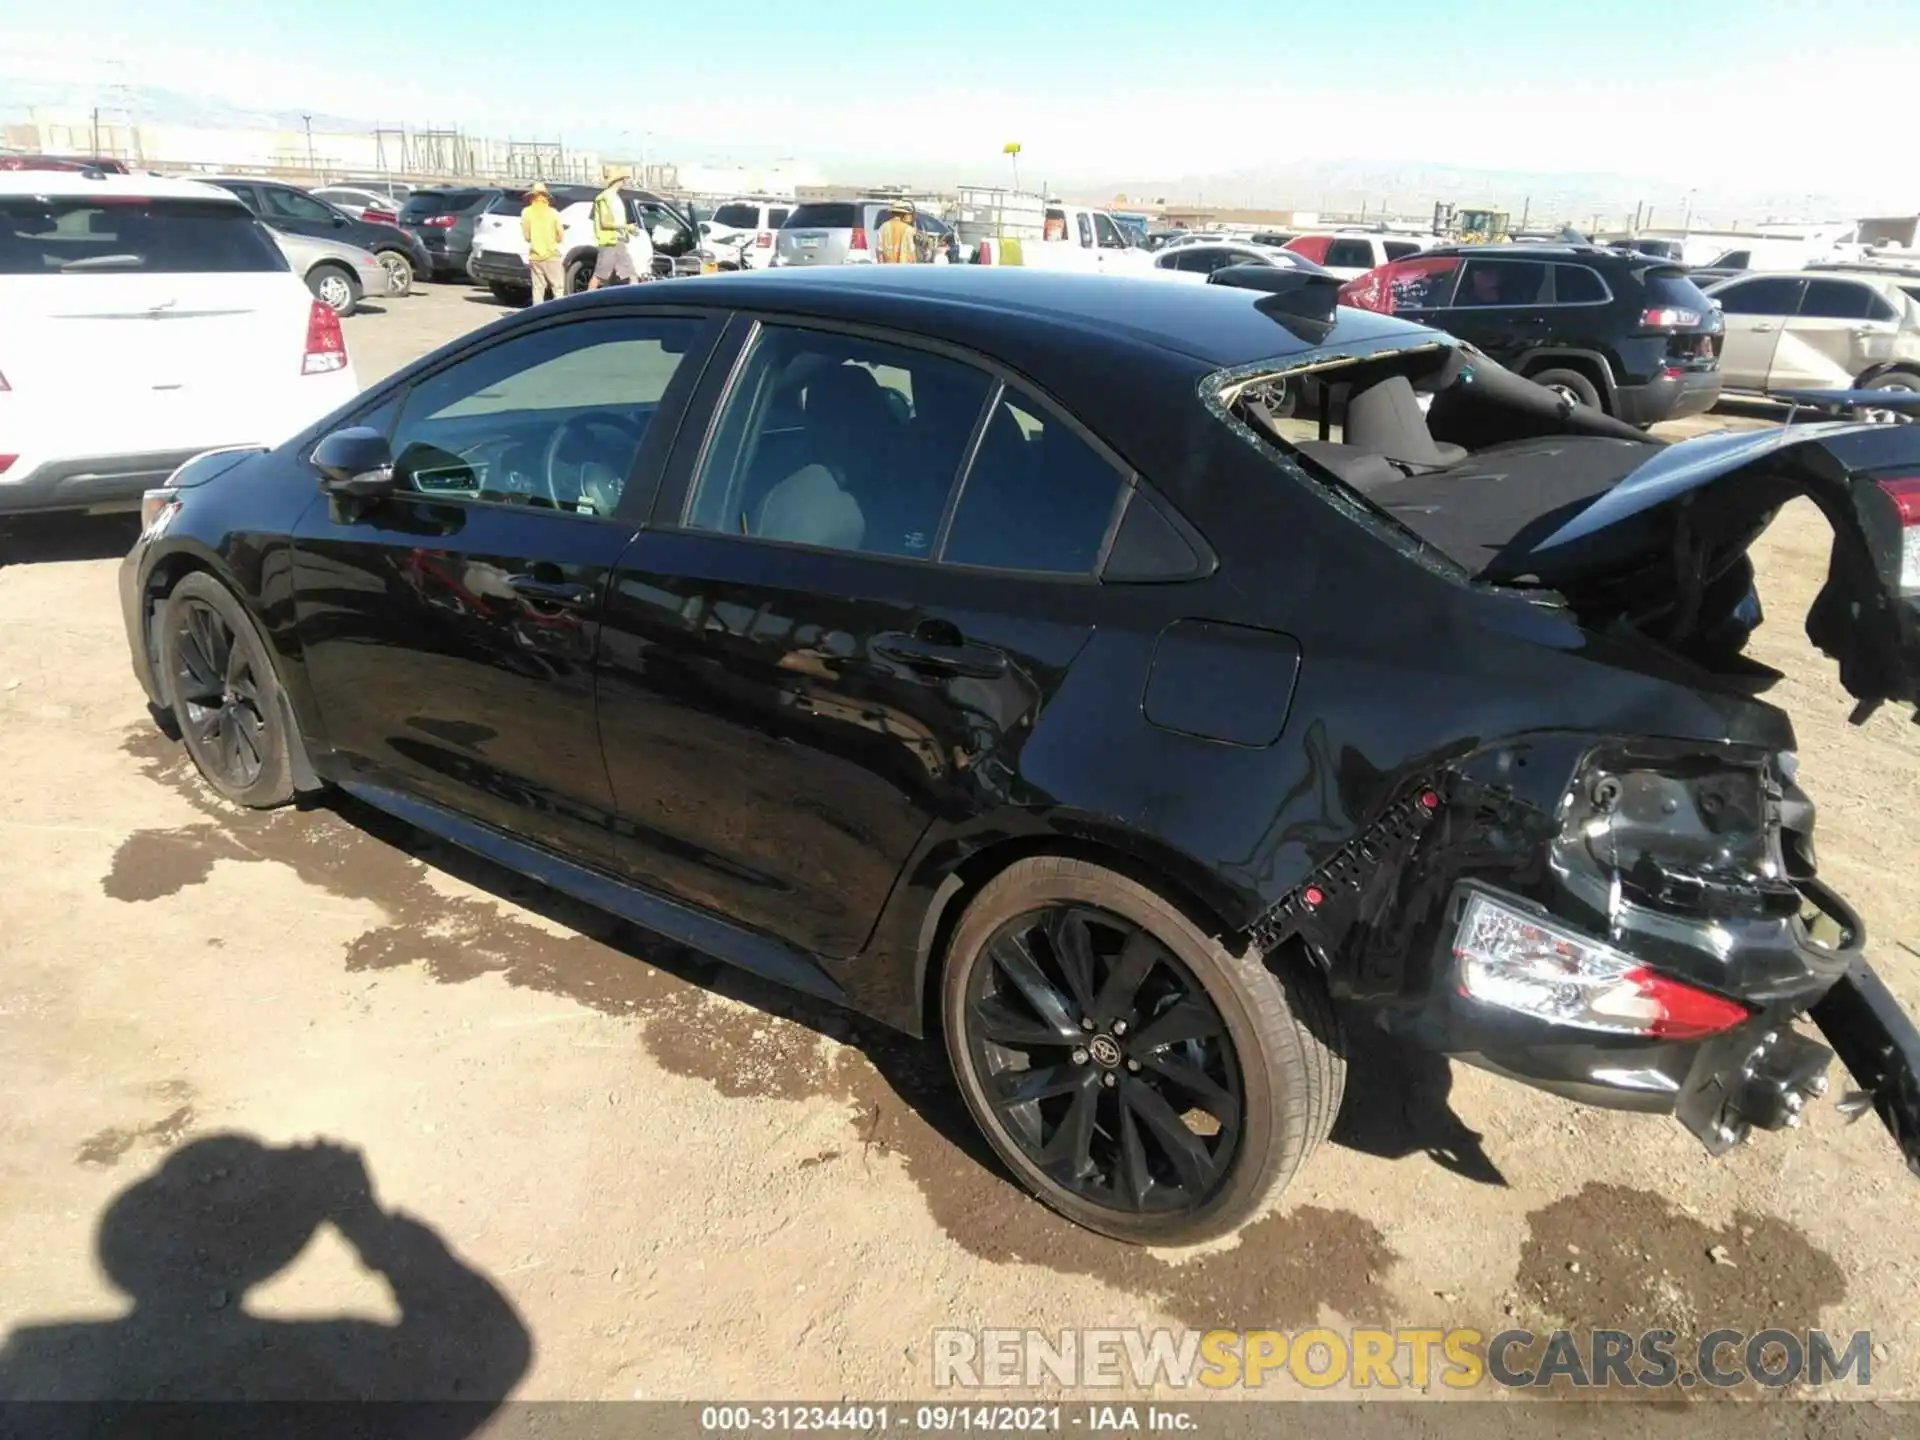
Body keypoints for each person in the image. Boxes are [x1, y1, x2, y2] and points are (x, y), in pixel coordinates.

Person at [586, 173, 637, 290]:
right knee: (600, 276)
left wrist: (627, 230)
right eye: (624, 179)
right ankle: (587, 300)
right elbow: (605, 223)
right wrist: (626, 227)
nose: (625, 181)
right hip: (609, 242)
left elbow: (615, 220)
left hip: (617, 240)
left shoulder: (614, 197)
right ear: (618, 180)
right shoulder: (605, 198)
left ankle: (634, 302)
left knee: (631, 275)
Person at [519, 181, 565, 304]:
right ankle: (559, 314)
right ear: (546, 197)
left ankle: (537, 315)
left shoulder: (526, 212)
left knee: (538, 289)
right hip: (552, 255)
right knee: (558, 288)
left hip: (535, 256)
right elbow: (560, 236)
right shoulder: (553, 213)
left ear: (531, 197)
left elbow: (527, 236)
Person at [876, 200, 918, 265]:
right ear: (903, 214)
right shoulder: (908, 229)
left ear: (892, 213)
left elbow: (879, 251)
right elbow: (911, 251)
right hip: (903, 270)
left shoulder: (883, 227)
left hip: (887, 269)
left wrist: (881, 267)